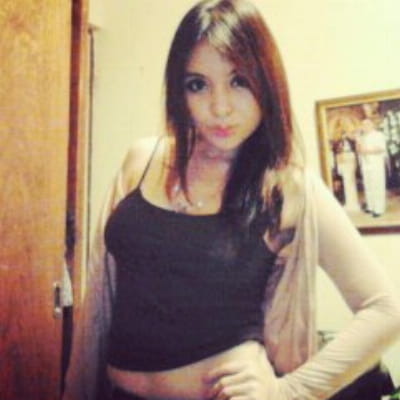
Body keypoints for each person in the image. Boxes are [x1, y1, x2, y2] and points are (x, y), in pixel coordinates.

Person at [62, 1, 400, 399]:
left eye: (239, 81)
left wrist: (287, 391)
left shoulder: (286, 188)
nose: (219, 107)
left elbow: (386, 310)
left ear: (266, 81)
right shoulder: (142, 160)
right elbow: (102, 295)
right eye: (198, 84)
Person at [356, 118, 387, 217]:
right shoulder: (362, 137)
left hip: (376, 164)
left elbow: (380, 149)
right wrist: (358, 140)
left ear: (372, 125)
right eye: (363, 125)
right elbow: (359, 150)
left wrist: (366, 151)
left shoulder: (378, 135)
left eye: (367, 124)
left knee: (377, 186)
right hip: (365, 165)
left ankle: (378, 209)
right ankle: (370, 207)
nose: (364, 127)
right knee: (368, 186)